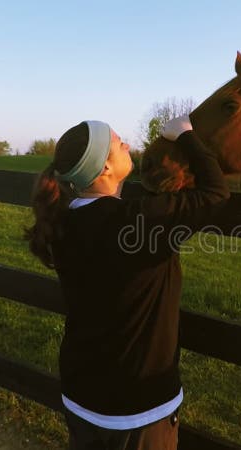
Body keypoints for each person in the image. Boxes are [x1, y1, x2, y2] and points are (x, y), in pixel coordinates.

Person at [25, 116, 229, 449]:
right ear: (105, 167)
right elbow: (217, 194)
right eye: (120, 143)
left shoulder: (62, 221)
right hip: (140, 409)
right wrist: (187, 136)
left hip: (81, 396)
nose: (128, 145)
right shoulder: (140, 222)